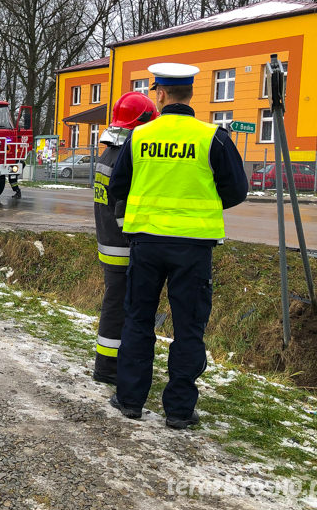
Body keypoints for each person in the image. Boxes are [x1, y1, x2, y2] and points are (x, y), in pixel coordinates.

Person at [108, 63, 248, 429]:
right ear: (190, 94)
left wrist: (131, 225)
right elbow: (237, 190)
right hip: (193, 248)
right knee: (189, 328)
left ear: (161, 94)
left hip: (147, 243)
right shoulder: (212, 137)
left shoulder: (139, 137)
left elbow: (117, 189)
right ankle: (180, 410)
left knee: (138, 320)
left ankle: (130, 400)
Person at [92, 92, 158, 385]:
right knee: (120, 309)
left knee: (114, 305)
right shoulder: (125, 156)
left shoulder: (108, 153)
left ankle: (107, 365)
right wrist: (138, 241)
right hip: (123, 247)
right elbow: (123, 208)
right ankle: (108, 369)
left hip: (108, 244)